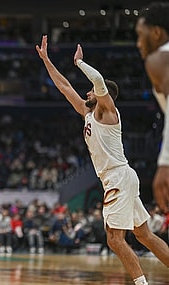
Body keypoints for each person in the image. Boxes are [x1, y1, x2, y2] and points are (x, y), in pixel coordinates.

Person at [36, 34, 169, 285]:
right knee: (144, 235)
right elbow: (64, 87)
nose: (86, 92)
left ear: (102, 95)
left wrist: (79, 63)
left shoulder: (109, 111)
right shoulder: (88, 112)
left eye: (91, 91)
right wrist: (46, 60)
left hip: (117, 176)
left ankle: (141, 284)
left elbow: (97, 80)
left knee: (114, 239)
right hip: (121, 176)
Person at [135, 2, 169, 215]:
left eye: (140, 35)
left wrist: (165, 162)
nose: (138, 43)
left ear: (156, 32)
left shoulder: (160, 58)